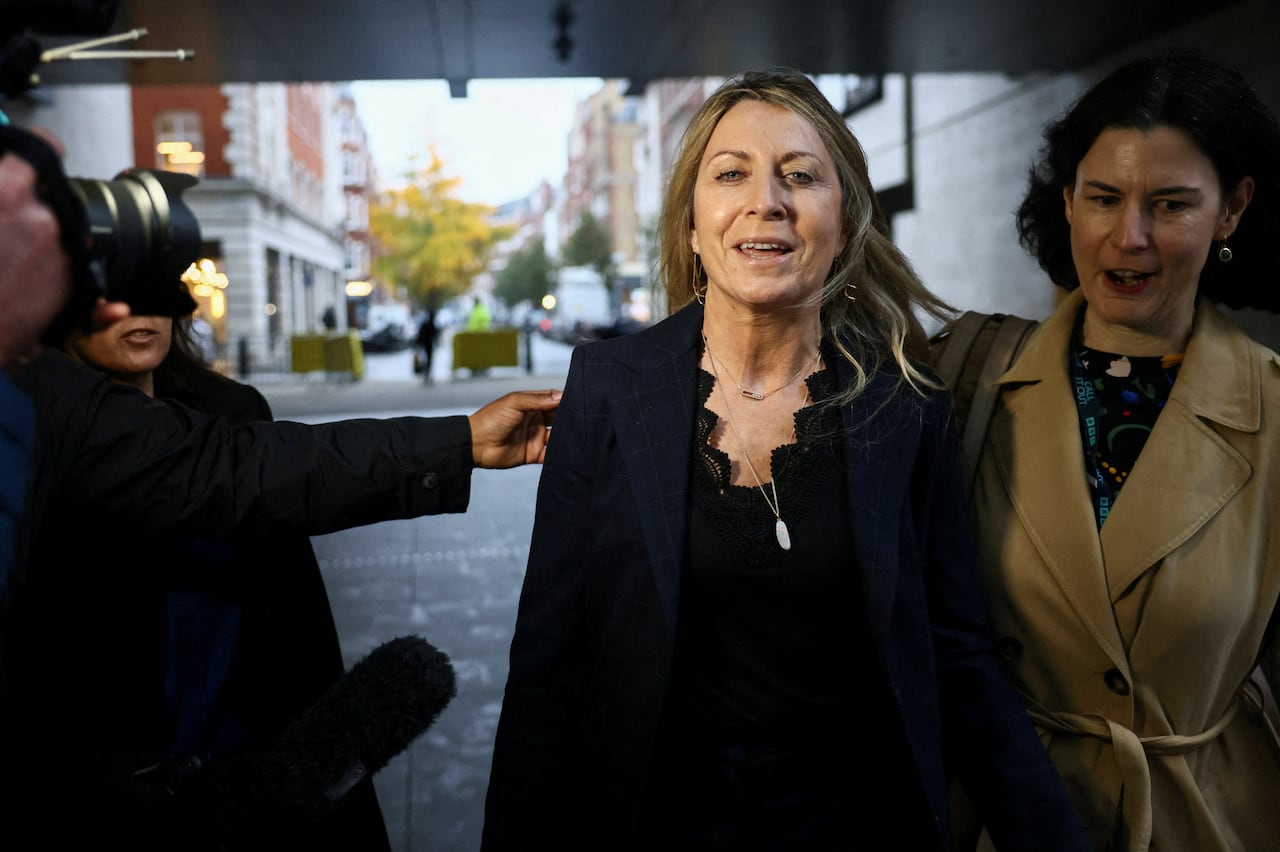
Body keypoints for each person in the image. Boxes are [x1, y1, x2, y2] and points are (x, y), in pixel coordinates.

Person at [482, 70, 1088, 851]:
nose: (766, 199)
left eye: (800, 176)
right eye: (730, 173)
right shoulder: (609, 388)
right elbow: (548, 667)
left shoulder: (905, 402)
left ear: (844, 220)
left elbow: (957, 654)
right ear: (694, 224)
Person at [960, 49, 1280, 852]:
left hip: (1212, 822)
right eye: (1103, 198)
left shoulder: (1274, 412)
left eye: (1171, 205)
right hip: (1020, 817)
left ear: (1232, 209)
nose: (1127, 237)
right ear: (1066, 202)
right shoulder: (968, 388)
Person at [7, 309, 392, 849]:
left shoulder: (231, 411)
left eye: (155, 280)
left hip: (251, 769)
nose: (137, 309)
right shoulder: (25, 432)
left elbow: (299, 630)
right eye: (116, 283)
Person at [416, 306, 439, 381]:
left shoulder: (426, 324)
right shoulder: (431, 325)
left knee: (427, 359)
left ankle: (426, 374)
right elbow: (435, 335)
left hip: (425, 344)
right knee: (428, 359)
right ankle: (426, 374)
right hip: (427, 344)